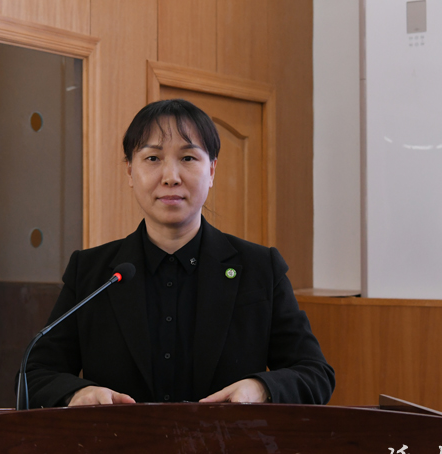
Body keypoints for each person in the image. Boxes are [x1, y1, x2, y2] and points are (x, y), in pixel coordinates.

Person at [24, 99, 335, 407]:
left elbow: (315, 374)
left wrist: (261, 387)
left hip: (228, 440)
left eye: (187, 158)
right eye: (152, 158)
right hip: (119, 440)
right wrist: (76, 393)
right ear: (130, 171)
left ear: (211, 170)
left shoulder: (260, 269)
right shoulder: (91, 272)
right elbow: (34, 373)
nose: (171, 176)